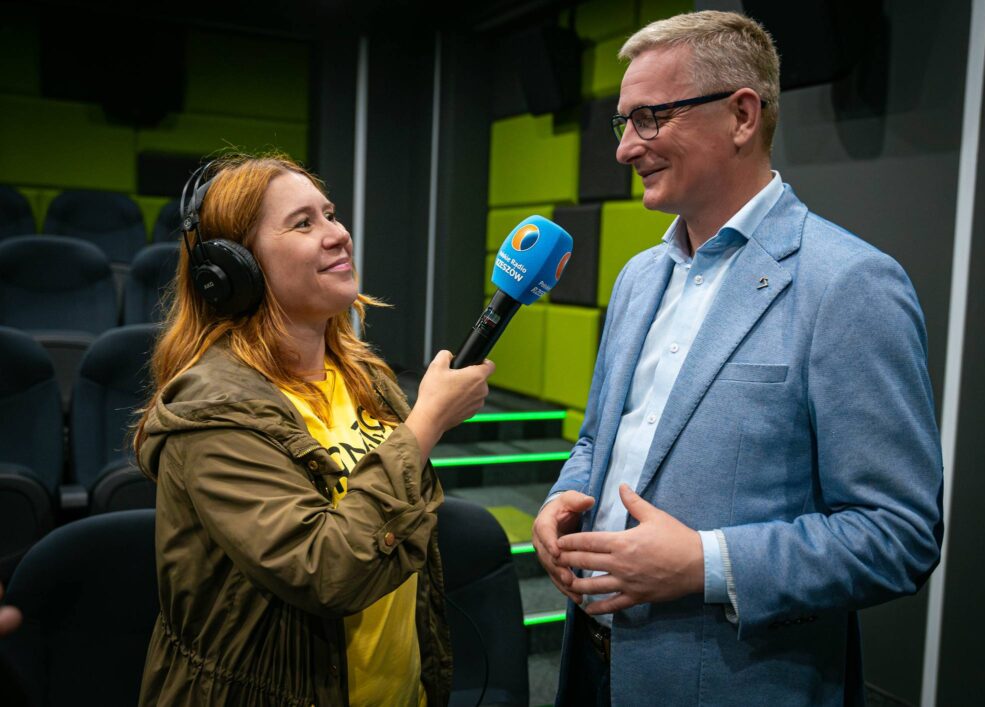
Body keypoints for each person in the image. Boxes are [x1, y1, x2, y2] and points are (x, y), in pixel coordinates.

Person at [532, 10, 943, 706]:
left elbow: (898, 534)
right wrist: (559, 502)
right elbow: (600, 439)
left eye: (650, 118)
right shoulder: (638, 278)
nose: (626, 149)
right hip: (592, 664)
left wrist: (706, 563)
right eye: (623, 123)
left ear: (742, 116)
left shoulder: (848, 283)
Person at [133, 152, 494, 706]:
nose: (338, 234)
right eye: (303, 223)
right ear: (234, 266)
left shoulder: (365, 377)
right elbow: (328, 571)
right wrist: (426, 422)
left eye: (330, 214)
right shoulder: (212, 409)